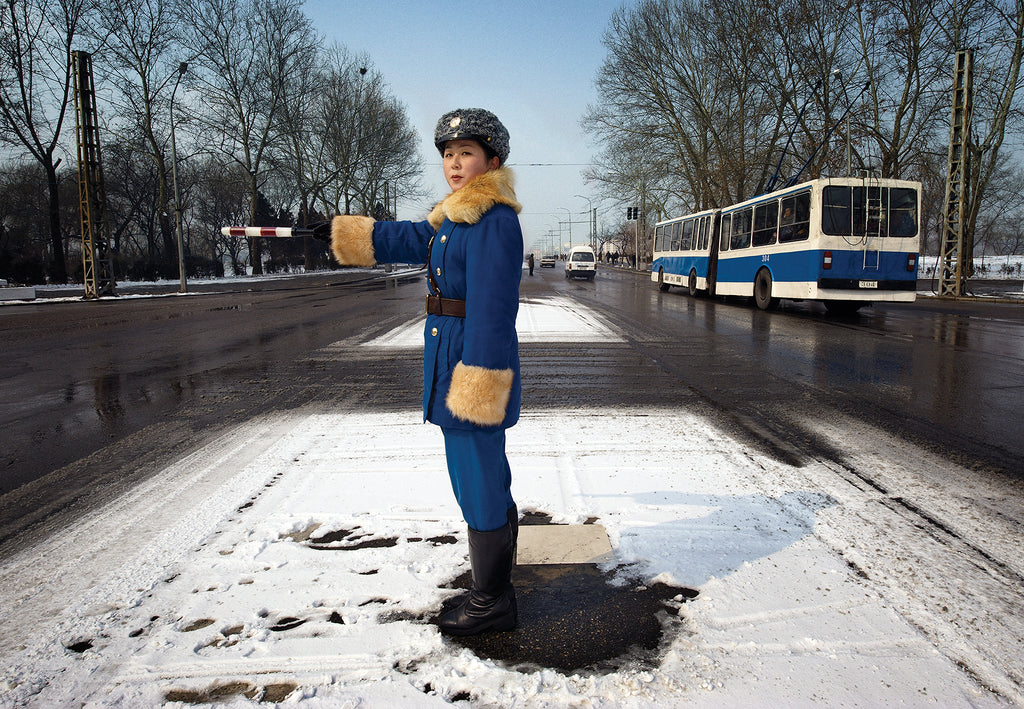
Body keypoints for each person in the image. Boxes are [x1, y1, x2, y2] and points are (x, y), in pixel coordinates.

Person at [326, 108, 523, 636]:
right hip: (452, 359)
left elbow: (493, 308)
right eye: (448, 155)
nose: (454, 164)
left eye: (466, 154)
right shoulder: (455, 215)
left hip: (472, 366)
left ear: (492, 160)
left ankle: (492, 601)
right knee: (479, 476)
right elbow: (410, 236)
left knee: (477, 479)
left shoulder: (494, 218)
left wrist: (478, 382)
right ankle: (494, 587)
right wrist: (350, 233)